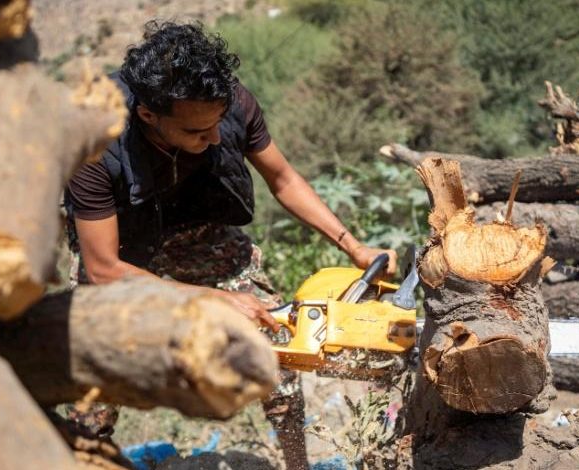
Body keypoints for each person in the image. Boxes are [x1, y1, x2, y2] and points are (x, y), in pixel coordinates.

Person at [63, 21, 397, 470]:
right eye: (198, 132)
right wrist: (213, 301)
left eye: (218, 123)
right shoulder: (93, 143)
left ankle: (296, 463)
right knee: (94, 383)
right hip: (124, 253)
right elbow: (103, 269)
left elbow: (283, 178)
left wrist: (353, 246)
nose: (216, 139)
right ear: (149, 116)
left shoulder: (228, 100)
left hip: (204, 236)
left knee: (277, 342)